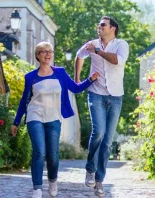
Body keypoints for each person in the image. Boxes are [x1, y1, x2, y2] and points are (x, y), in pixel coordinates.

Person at [11, 41, 99, 198]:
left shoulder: (60, 73)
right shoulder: (30, 77)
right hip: (34, 116)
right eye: (44, 51)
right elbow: (24, 100)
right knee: (39, 151)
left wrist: (90, 80)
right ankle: (37, 188)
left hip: (54, 117)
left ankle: (52, 180)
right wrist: (16, 122)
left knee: (53, 155)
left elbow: (75, 88)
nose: (48, 54)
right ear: (38, 55)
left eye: (50, 51)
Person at [74, 16, 129, 197]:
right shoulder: (91, 44)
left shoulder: (121, 44)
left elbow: (117, 61)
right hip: (96, 93)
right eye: (98, 24)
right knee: (98, 131)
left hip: (115, 97)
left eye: (102, 25)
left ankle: (99, 181)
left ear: (112, 28)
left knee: (107, 141)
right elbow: (79, 56)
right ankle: (90, 169)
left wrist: (97, 51)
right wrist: (77, 79)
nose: (99, 27)